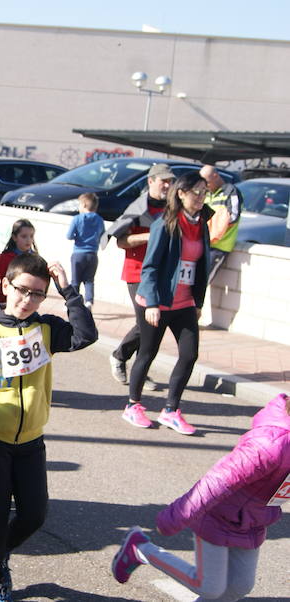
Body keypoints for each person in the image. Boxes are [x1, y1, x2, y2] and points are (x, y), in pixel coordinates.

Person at [0, 253, 97, 602]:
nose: (28, 300)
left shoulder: (46, 328)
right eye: (22, 290)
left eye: (38, 294)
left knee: (33, 515)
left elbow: (85, 335)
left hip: (31, 443)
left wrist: (68, 289)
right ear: (5, 285)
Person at [112, 392, 290, 601]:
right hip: (217, 515)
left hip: (253, 520)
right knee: (209, 587)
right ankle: (141, 549)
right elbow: (217, 481)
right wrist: (176, 516)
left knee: (239, 586)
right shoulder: (269, 445)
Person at [122, 172, 213, 436]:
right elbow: (149, 267)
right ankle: (133, 405)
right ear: (181, 193)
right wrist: (151, 302)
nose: (201, 197)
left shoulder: (201, 224)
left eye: (204, 192)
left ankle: (171, 410)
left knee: (189, 354)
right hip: (157, 301)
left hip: (184, 302)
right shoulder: (165, 224)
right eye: (196, 192)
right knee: (147, 352)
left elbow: (201, 266)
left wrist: (198, 302)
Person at [105, 163, 174, 389]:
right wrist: (151, 236)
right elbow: (121, 241)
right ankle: (122, 358)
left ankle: (134, 366)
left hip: (163, 273)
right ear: (150, 181)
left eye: (170, 181)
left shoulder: (172, 208)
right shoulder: (138, 208)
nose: (167, 185)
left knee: (155, 323)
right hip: (137, 272)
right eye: (163, 180)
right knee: (146, 322)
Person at [200, 165, 242, 283]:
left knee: (204, 281)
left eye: (207, 182)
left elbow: (233, 216)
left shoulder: (231, 191)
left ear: (215, 176)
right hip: (203, 242)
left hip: (219, 246)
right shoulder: (207, 193)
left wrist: (216, 220)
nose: (206, 186)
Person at [66, 192, 105, 309]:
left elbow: (69, 235)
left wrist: (77, 236)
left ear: (83, 205)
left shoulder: (77, 219)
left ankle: (73, 302)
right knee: (89, 280)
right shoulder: (99, 220)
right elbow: (103, 235)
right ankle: (89, 301)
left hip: (78, 253)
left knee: (75, 280)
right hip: (93, 254)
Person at [0, 219, 36, 312]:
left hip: (26, 299)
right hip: (4, 299)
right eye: (24, 236)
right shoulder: (5, 257)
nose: (28, 240)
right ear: (14, 237)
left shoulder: (34, 258)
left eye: (31, 236)